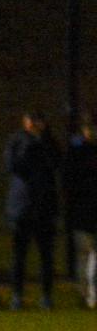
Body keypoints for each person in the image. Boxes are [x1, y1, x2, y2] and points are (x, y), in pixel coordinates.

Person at [5, 111, 61, 310]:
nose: (32, 125)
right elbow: (13, 166)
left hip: (44, 207)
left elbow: (55, 163)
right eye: (29, 122)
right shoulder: (17, 141)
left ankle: (46, 295)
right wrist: (30, 146)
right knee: (19, 256)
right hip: (21, 207)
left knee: (46, 256)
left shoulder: (49, 142)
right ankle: (17, 295)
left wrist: (42, 142)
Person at [65, 110, 97, 310]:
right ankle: (84, 294)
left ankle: (92, 296)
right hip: (82, 211)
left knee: (92, 256)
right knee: (84, 255)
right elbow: (68, 182)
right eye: (89, 128)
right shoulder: (75, 151)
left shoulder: (77, 150)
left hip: (87, 210)